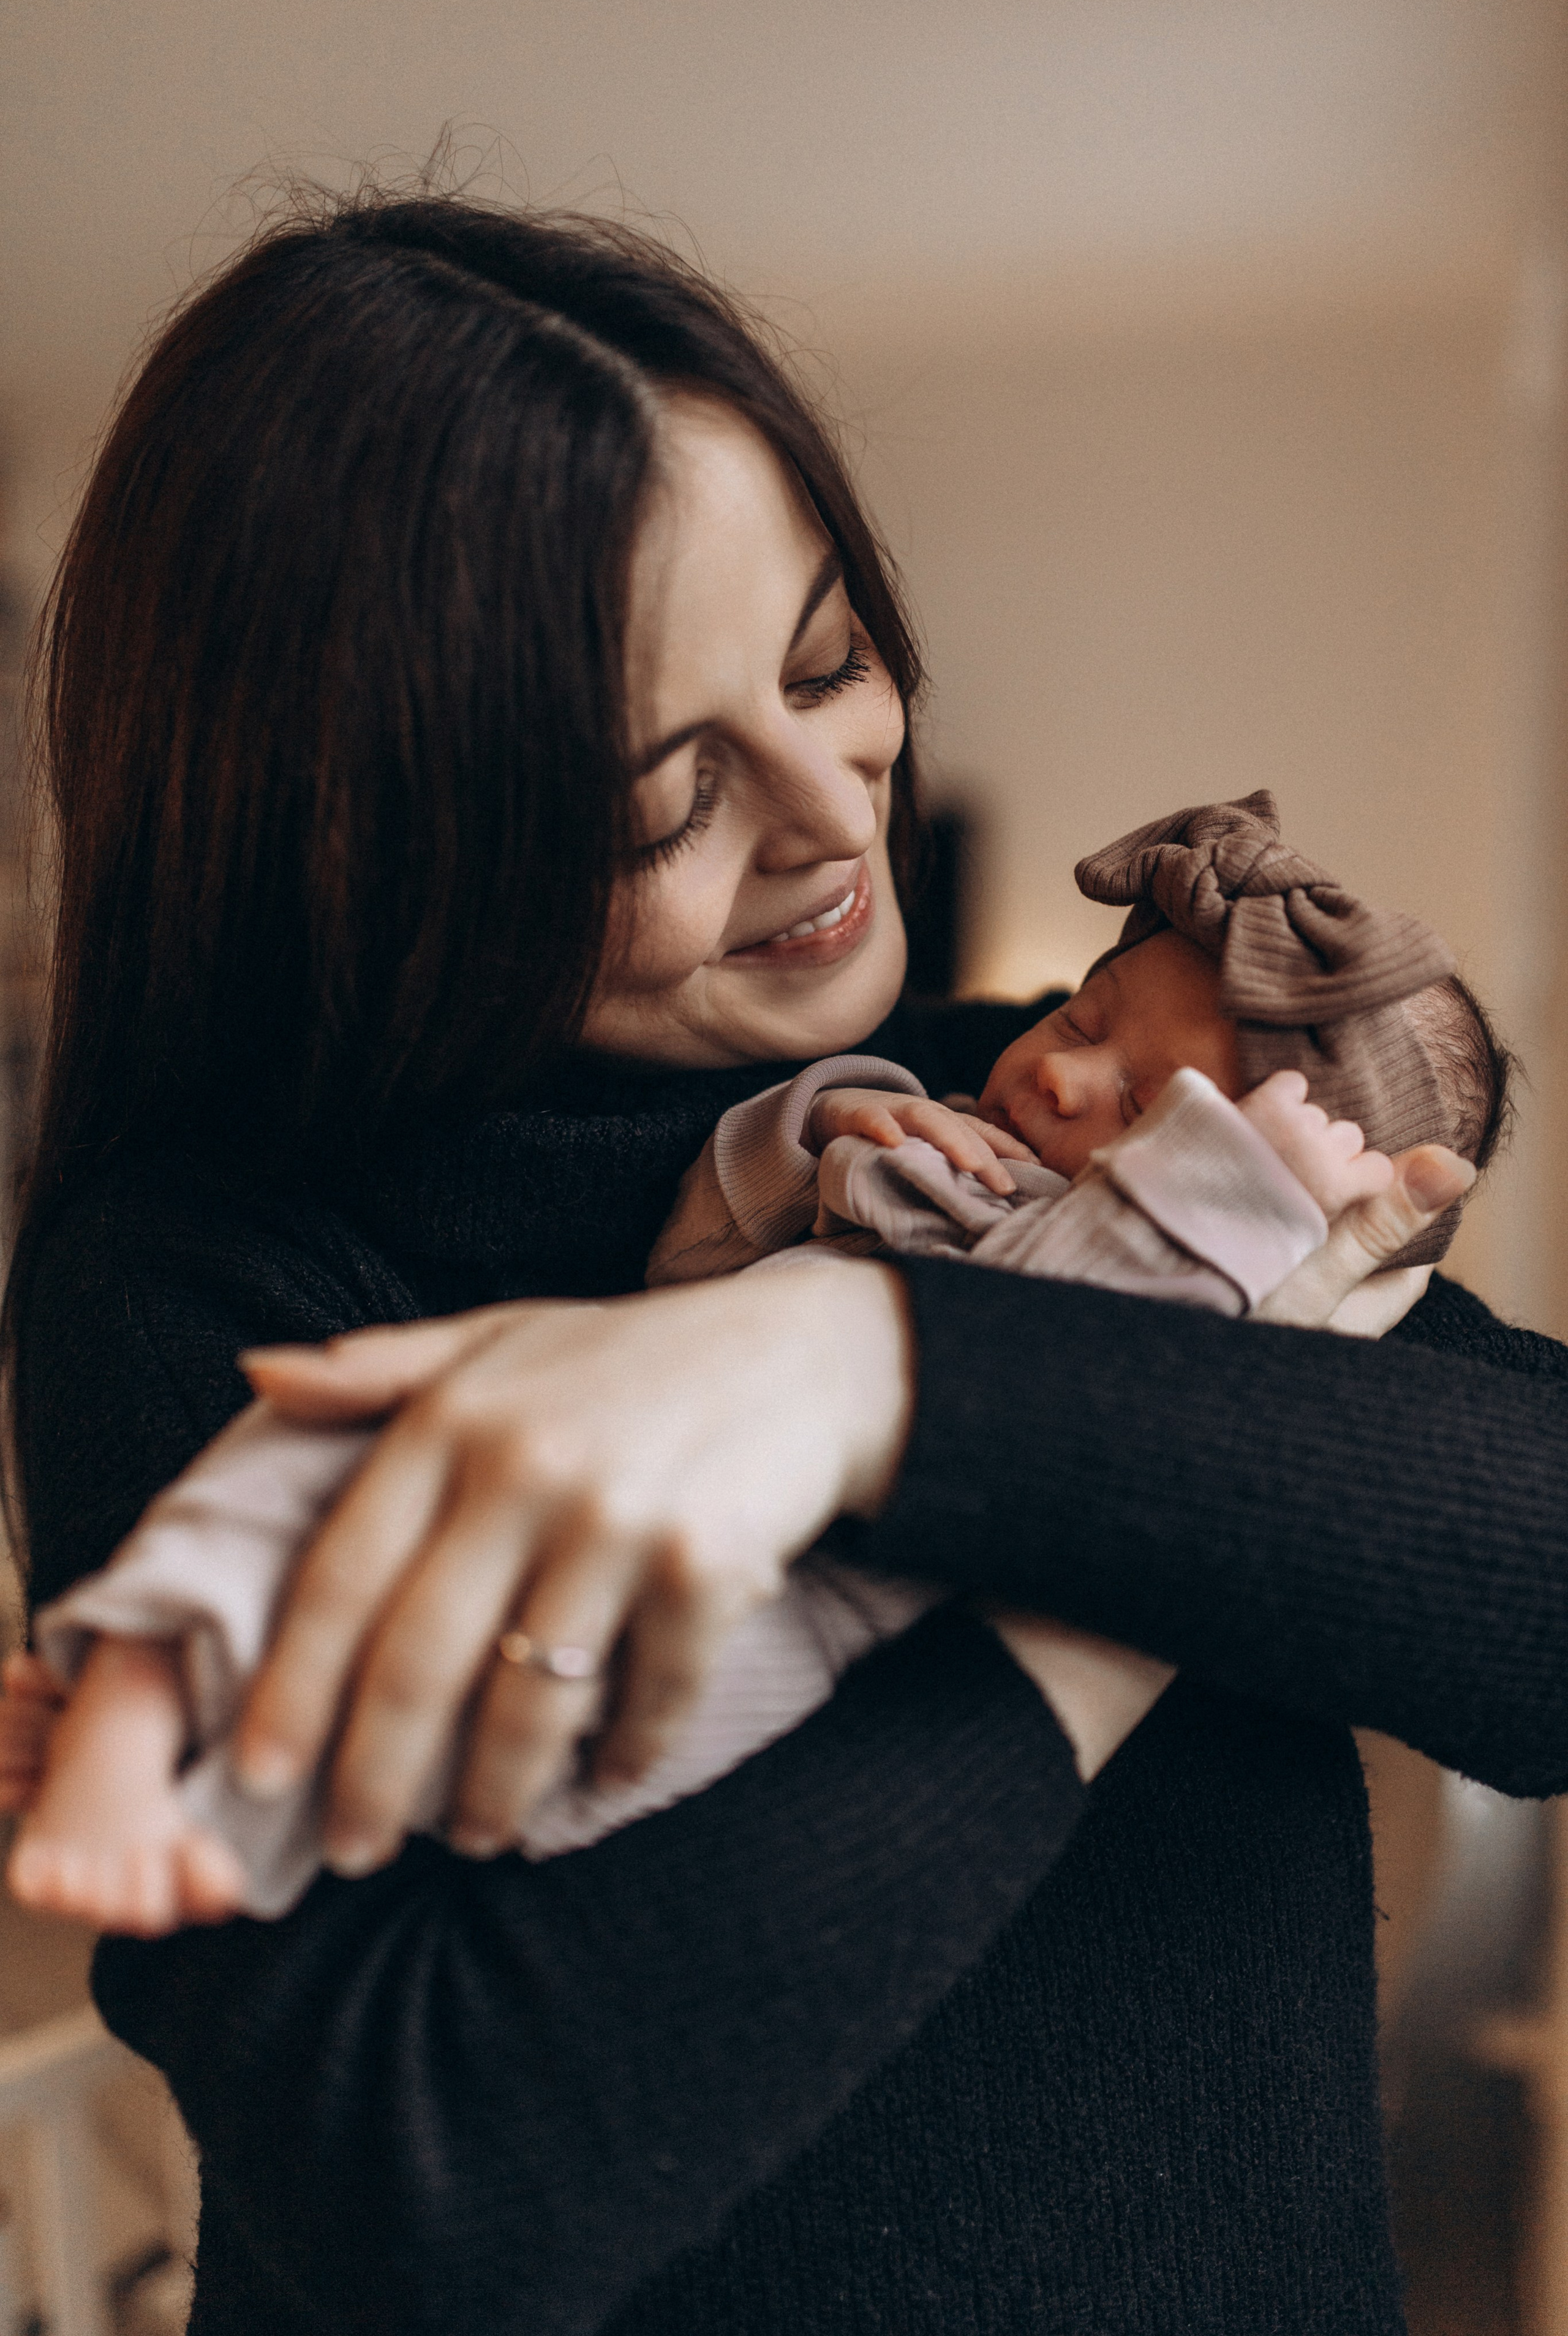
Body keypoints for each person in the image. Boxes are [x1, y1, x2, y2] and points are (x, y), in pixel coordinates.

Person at [7, 189, 1566, 2336]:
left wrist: (870, 1364)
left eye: (831, 663)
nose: (838, 814)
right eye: (668, 803)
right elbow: (426, 2176)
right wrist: (1078, 1632)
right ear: (375, 846)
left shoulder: (1017, 1116)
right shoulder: (198, 1280)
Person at [2, 793, 1503, 1928]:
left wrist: (1191, 1225)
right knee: (329, 1436)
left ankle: (214, 1784)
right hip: (560, 1435)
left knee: (529, 1763)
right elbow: (695, 1267)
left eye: (1145, 1110)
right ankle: (139, 1683)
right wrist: (822, 1130)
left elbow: (1072, 1359)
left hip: (775, 1614)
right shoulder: (181, 1262)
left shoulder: (1198, 1292)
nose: (1056, 1068)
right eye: (1083, 1013)